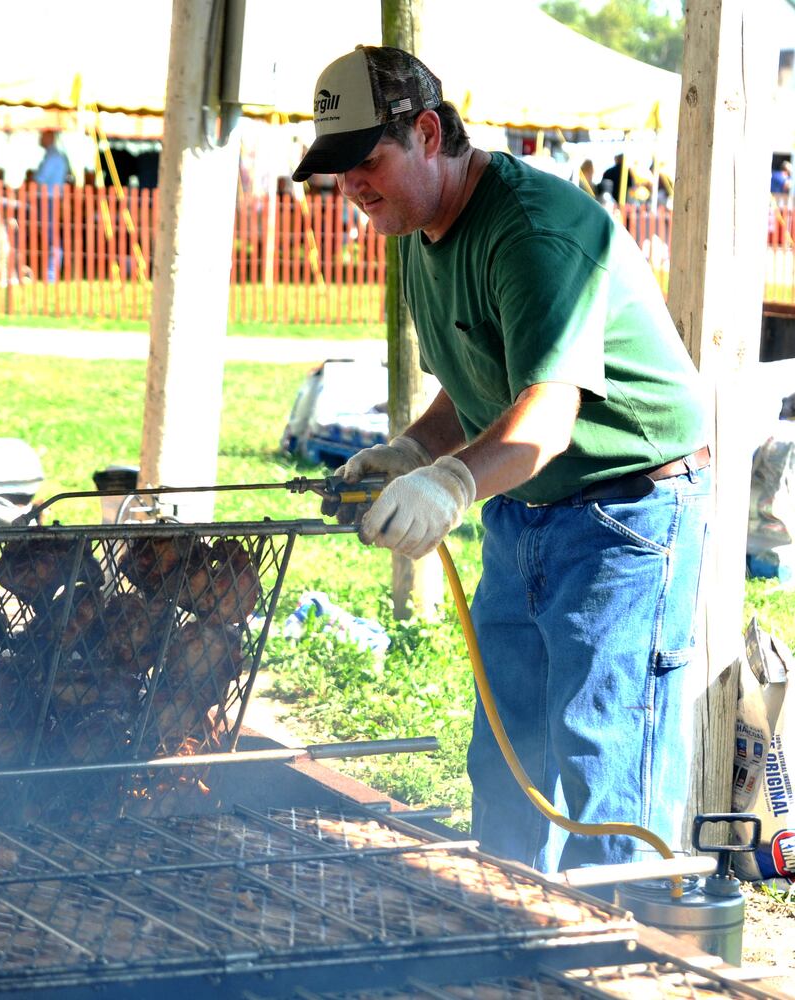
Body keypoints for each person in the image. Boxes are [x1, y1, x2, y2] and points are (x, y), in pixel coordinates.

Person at [294, 46, 710, 874]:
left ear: (424, 132)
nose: (353, 189)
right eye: (338, 172)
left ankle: (620, 965)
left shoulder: (532, 232)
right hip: (523, 510)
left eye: (365, 162)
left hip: (625, 511)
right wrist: (413, 449)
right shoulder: (416, 230)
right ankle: (513, 938)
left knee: (605, 767)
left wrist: (449, 483)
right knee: (507, 762)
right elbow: (480, 382)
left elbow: (544, 416)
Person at [34, 129, 70, 281]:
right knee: (51, 236)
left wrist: (32, 178)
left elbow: (40, 178)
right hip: (52, 199)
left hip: (48, 199)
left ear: (50, 137)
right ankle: (51, 273)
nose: (40, 138)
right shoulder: (56, 156)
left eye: (42, 135)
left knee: (51, 236)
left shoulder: (53, 156)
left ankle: (51, 274)